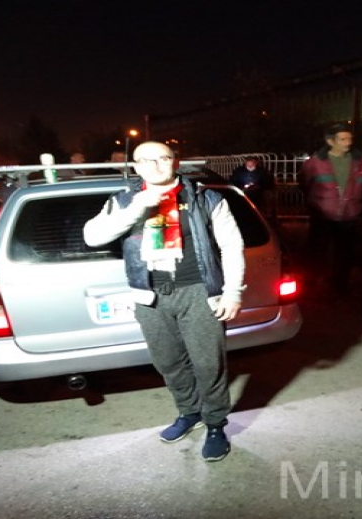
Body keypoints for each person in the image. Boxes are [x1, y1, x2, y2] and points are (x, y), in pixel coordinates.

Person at [83, 141, 245, 463]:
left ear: (175, 162)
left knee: (208, 363)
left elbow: (231, 245)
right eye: (146, 160)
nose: (155, 165)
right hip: (150, 296)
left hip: (198, 291)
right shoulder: (123, 200)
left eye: (163, 158)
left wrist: (232, 292)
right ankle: (189, 412)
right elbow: (92, 237)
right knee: (168, 362)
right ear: (136, 166)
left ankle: (215, 424)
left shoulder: (205, 197)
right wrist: (136, 209)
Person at [299, 124, 362, 292]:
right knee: (317, 251)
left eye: (350, 139)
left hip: (350, 215)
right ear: (330, 141)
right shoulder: (315, 163)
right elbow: (304, 184)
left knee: (345, 253)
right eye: (343, 139)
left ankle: (340, 286)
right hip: (322, 215)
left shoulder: (361, 162)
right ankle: (312, 284)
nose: (348, 142)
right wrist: (317, 205)